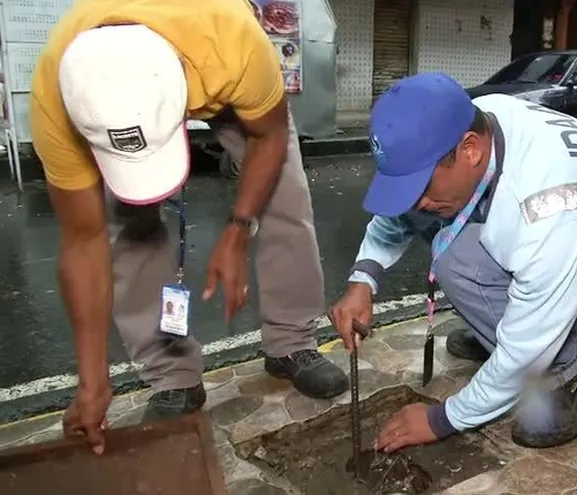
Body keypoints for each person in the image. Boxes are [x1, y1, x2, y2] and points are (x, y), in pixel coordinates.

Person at [31, 0, 347, 455]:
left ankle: (291, 341)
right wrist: (92, 381)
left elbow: (269, 136)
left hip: (215, 71)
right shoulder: (56, 98)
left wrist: (237, 232)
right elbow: (83, 243)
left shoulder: (232, 42)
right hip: (131, 94)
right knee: (128, 225)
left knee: (285, 192)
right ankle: (171, 375)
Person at [329, 73, 577, 451]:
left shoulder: (550, 203)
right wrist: (362, 280)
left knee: (459, 262)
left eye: (421, 187)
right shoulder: (477, 119)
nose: (416, 203)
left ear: (470, 150)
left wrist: (443, 419)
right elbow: (401, 211)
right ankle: (496, 327)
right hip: (568, 246)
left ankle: (574, 370)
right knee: (452, 237)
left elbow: (530, 340)